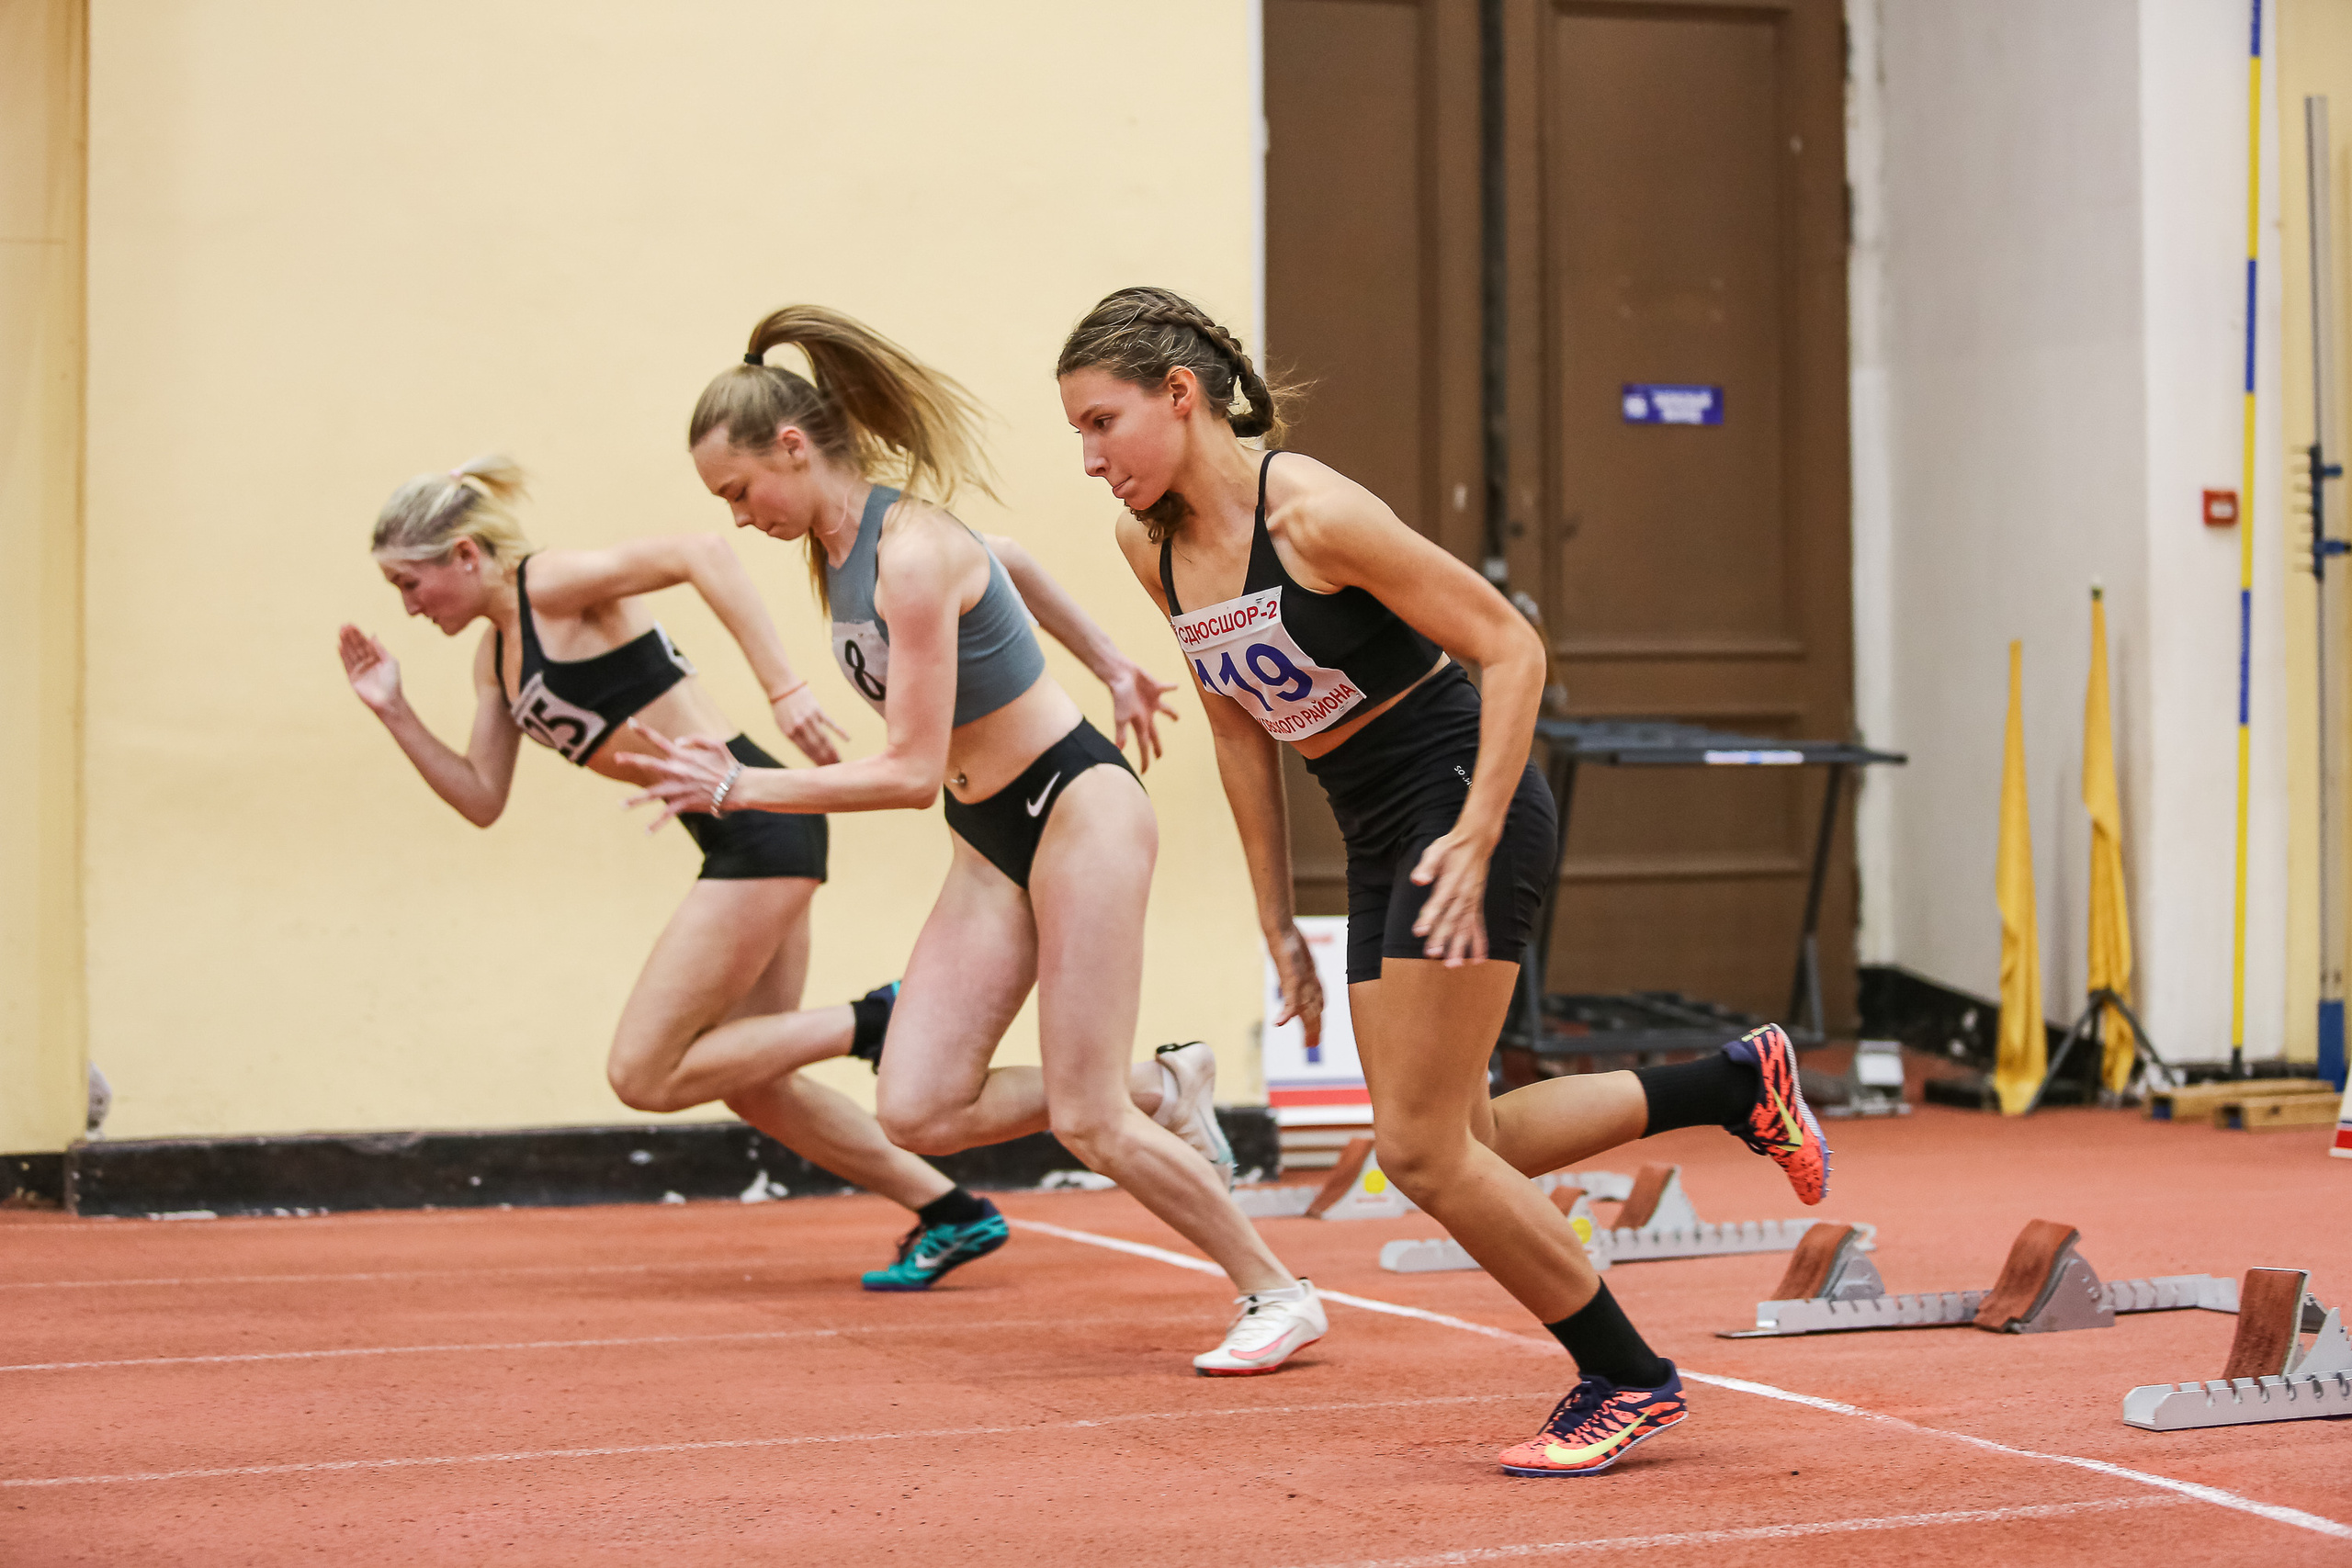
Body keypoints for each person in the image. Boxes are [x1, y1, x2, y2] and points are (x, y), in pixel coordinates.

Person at [1056, 286, 1831, 1470]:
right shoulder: (1148, 543)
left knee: (1417, 1153)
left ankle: (1627, 1378)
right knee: (1471, 1137)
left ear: (1181, 395)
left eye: (1103, 423)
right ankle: (1733, 1082)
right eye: (1078, 434)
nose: (1092, 458)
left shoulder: (1311, 512)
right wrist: (1274, 921)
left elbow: (1512, 645)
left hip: (1457, 791)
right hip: (1372, 821)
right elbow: (1233, 727)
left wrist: (1472, 831)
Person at [621, 306, 1329, 1375]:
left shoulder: (907, 551)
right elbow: (1005, 559)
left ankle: (1275, 1290)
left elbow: (905, 775)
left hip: (1076, 807)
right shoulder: (845, 543)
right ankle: (1161, 1087)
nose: (737, 515)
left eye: (738, 490)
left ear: (795, 448)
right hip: (989, 829)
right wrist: (1107, 656)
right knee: (917, 1107)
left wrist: (741, 781)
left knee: (1086, 1119)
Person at [342, 455, 1008, 1291]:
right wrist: (394, 710)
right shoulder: (495, 660)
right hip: (745, 837)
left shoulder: (550, 585)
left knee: (643, 1072)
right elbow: (481, 798)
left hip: (755, 823)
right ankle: (951, 1211)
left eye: (412, 582)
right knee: (753, 1083)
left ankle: (872, 1021)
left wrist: (784, 688)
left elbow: (706, 554)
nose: (408, 606)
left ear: (466, 555)